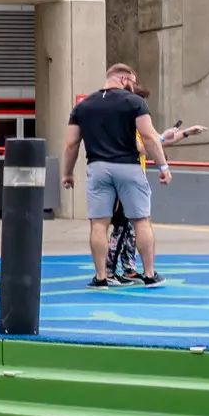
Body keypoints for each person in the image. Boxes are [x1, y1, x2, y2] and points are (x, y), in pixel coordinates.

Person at [62, 62, 172, 289]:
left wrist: (67, 173)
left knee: (99, 224)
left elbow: (72, 143)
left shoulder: (83, 106)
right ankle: (149, 275)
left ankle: (101, 277)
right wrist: (162, 166)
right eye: (132, 82)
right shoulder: (134, 102)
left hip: (97, 167)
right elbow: (149, 136)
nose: (133, 87)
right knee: (141, 221)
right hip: (128, 166)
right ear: (124, 79)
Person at [106, 87, 204, 283]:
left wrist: (185, 133)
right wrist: (160, 139)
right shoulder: (125, 126)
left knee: (132, 229)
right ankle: (109, 270)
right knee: (122, 227)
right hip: (125, 180)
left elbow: (157, 142)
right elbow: (142, 145)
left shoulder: (138, 125)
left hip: (134, 180)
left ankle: (128, 267)